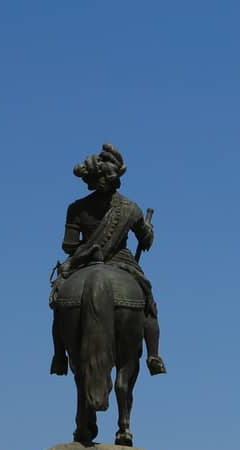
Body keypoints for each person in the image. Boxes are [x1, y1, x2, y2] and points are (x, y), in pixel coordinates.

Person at [50, 143, 164, 373]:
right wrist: (149, 231)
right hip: (123, 262)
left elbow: (69, 245)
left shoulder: (76, 208)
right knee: (149, 304)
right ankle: (153, 356)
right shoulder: (132, 208)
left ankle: (59, 356)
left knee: (59, 302)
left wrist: (86, 249)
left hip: (84, 263)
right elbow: (146, 241)